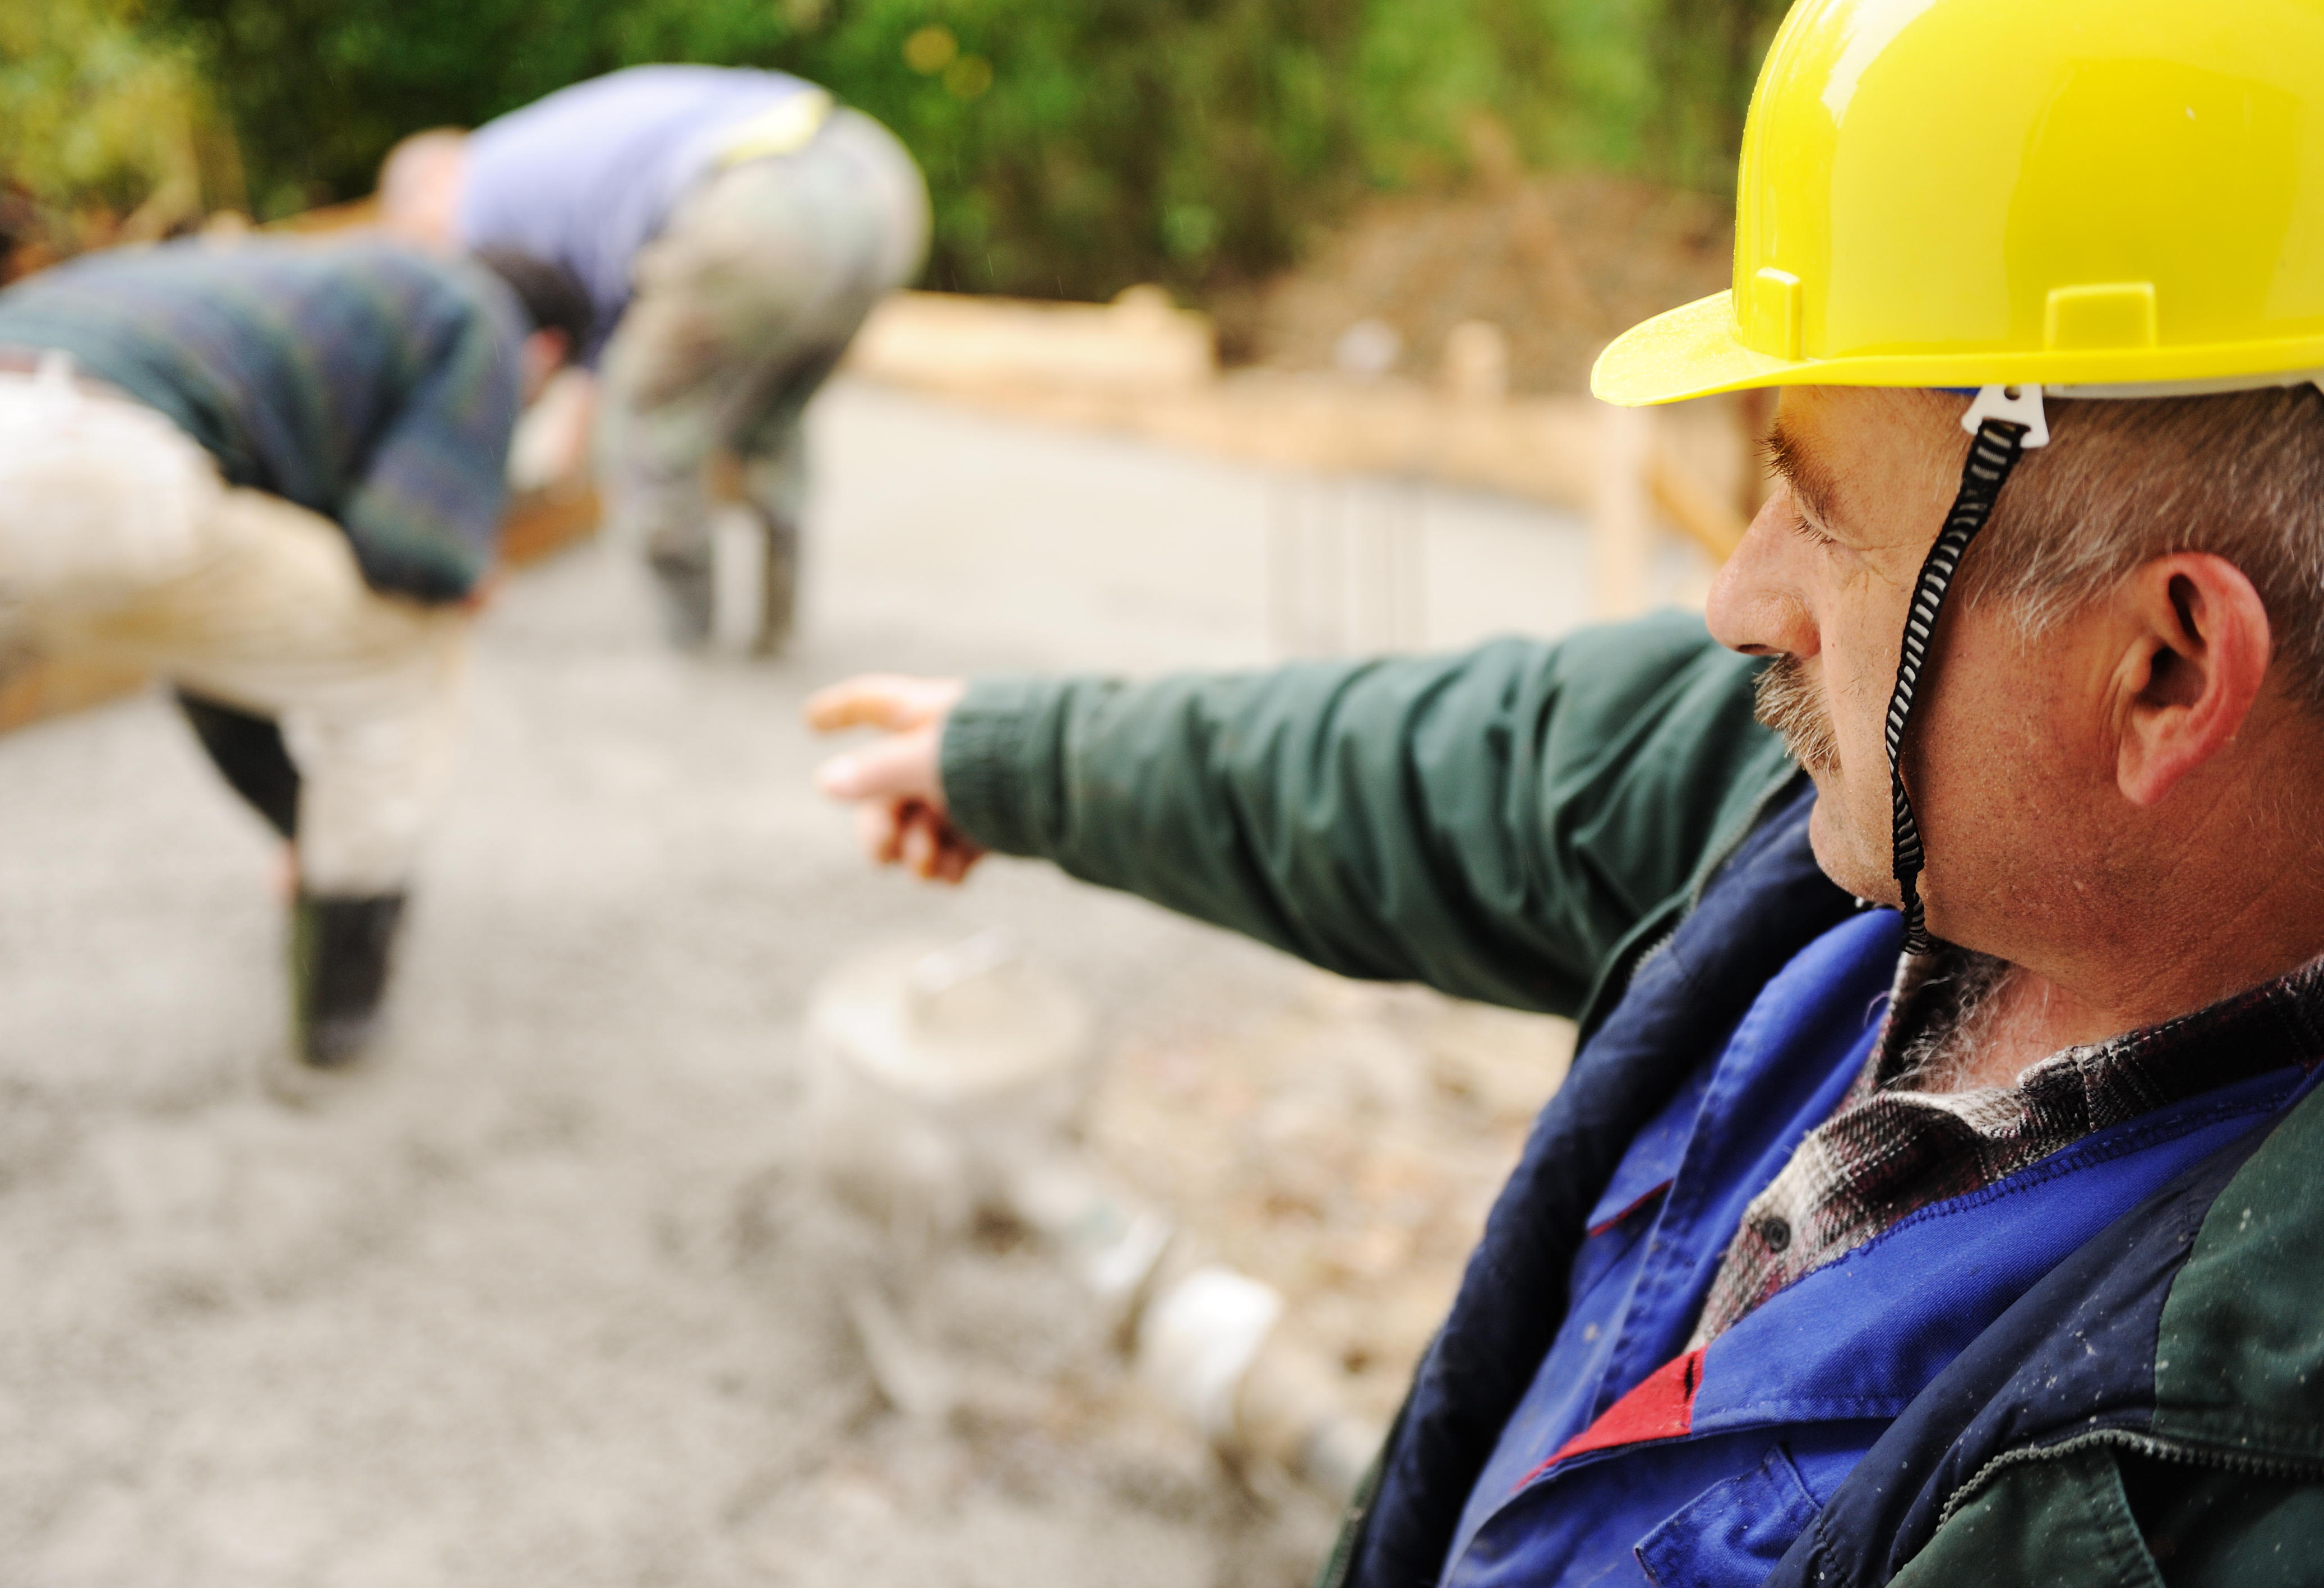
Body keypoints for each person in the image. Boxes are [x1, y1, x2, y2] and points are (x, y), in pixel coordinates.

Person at [808, 3, 2324, 1581]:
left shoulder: (2245, 1501)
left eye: (1815, 507)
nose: (1739, 594)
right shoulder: (1851, 827)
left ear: (2164, 668)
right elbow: (1474, 761)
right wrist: (1022, 765)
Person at [0, 235, 591, 1068]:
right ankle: (342, 992)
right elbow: (410, 553)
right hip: (79, 459)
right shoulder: (478, 312)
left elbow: (230, 649)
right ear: (545, 354)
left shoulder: (283, 287)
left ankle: (304, 849)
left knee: (231, 623)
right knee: (405, 648)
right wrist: (464, 570)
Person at [378, 66, 930, 654]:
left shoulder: (477, 198)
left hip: (767, 207)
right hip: (878, 185)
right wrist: (571, 454)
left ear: (431, 183)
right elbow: (604, 328)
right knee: (767, 419)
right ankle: (778, 625)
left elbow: (494, 366)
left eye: (417, 234)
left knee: (646, 433)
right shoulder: (552, 155)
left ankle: (692, 643)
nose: (434, 254)